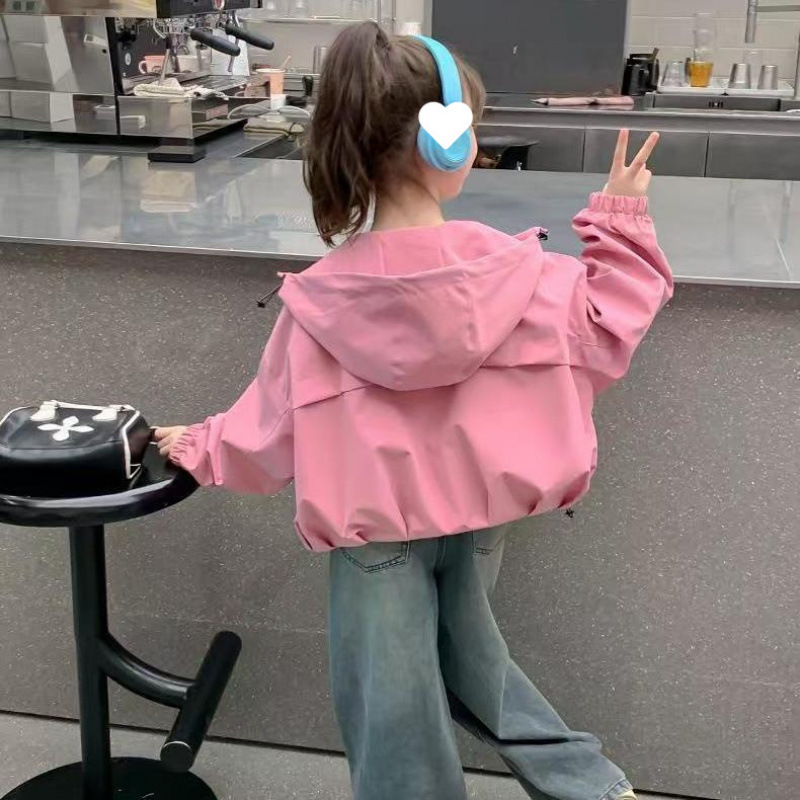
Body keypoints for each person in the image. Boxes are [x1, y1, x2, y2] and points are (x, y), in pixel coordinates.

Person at [155, 22, 672, 800]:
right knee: (474, 661)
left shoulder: (325, 301)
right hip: (483, 512)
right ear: (449, 143)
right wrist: (620, 219)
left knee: (392, 706)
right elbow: (608, 327)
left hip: (378, 532)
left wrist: (196, 444)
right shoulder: (525, 273)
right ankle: (589, 785)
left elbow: (267, 432)